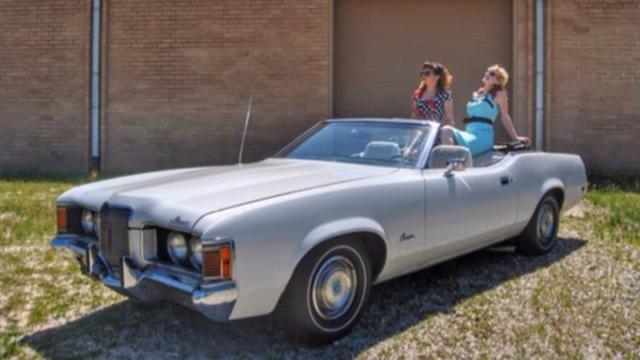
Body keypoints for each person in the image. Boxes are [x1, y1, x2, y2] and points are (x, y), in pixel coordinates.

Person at [440, 64, 531, 157]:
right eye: (487, 72)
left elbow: (505, 116)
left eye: (492, 74)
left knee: (447, 130)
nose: (487, 74)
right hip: (469, 133)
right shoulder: (477, 94)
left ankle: (446, 166)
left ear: (497, 81)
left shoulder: (499, 93)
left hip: (482, 136)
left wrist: (515, 137)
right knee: (443, 132)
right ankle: (445, 166)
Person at [410, 62, 454, 126]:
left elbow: (450, 119)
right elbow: (413, 116)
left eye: (427, 73)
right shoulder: (417, 94)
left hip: (435, 130)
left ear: (437, 77)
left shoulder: (445, 95)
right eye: (422, 73)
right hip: (419, 129)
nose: (423, 76)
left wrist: (447, 130)